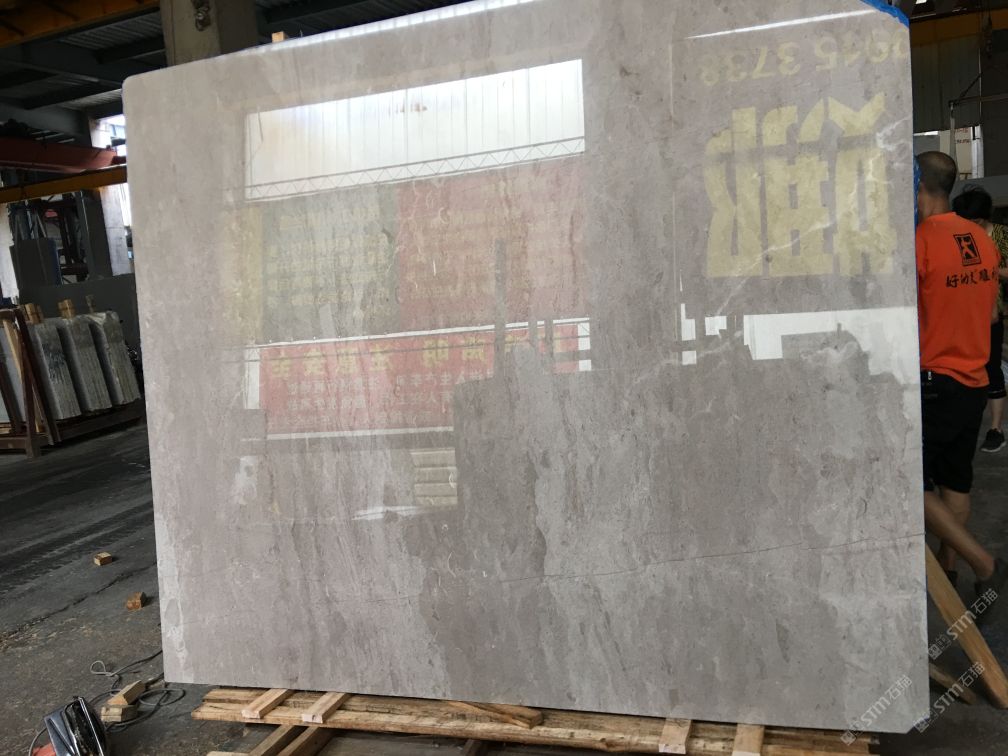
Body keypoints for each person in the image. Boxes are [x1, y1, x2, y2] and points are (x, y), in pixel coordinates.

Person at [916, 151, 1007, 609]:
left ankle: (984, 565)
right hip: (975, 378)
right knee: (956, 484)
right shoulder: (981, 241)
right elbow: (990, 314)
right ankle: (947, 570)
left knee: (905, 484)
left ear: (917, 184)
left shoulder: (920, 242)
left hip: (935, 381)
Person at [952, 185, 1008, 452]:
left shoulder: (1001, 235)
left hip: (991, 313)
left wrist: (988, 267)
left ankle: (995, 429)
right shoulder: (957, 236)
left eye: (974, 221)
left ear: (984, 218)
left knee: (992, 368)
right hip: (961, 314)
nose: (969, 226)